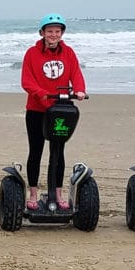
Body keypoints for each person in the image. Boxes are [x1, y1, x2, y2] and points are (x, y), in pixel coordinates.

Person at [20, 13, 86, 210]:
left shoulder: (68, 53)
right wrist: (42, 94)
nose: (53, 35)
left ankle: (57, 193)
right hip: (36, 109)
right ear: (42, 33)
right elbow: (27, 80)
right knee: (36, 150)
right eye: (49, 31)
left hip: (60, 109)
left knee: (58, 151)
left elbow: (76, 73)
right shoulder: (32, 53)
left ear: (62, 33)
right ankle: (32, 193)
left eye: (57, 31)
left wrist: (80, 90)